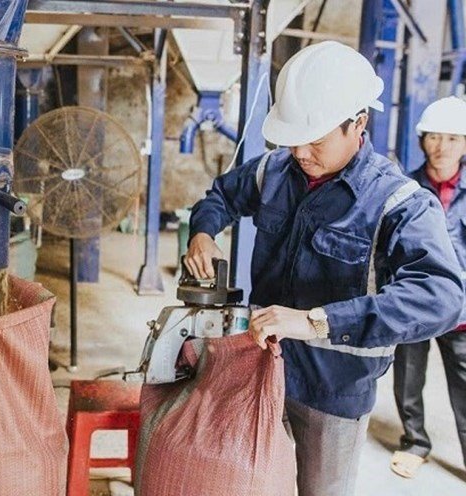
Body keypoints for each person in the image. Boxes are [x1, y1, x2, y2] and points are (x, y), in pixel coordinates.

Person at [186, 41, 463, 496]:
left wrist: (317, 321)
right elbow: (221, 197)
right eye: (293, 137)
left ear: (359, 123)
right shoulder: (274, 171)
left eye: (315, 139)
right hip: (263, 370)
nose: (300, 151)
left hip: (334, 391)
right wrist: (202, 231)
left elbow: (441, 298)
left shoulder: (398, 202)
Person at [389, 96, 466, 478]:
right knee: (408, 377)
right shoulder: (406, 188)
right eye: (434, 136)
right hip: (415, 305)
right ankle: (415, 442)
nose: (442, 147)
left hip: (462, 310)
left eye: (452, 138)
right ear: (422, 140)